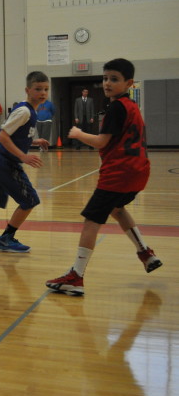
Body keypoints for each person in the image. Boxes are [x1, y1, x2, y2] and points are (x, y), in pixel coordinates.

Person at [46, 59, 161, 296]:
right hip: (139, 172)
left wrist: (78, 134)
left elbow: (101, 141)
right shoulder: (131, 106)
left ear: (128, 83)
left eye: (114, 79)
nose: (107, 83)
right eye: (105, 78)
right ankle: (146, 253)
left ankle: (76, 276)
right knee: (117, 209)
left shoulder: (117, 107)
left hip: (120, 172)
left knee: (91, 220)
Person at [0, 72, 51, 254]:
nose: (43, 92)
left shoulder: (29, 111)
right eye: (38, 89)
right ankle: (6, 238)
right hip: (4, 161)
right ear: (28, 90)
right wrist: (23, 156)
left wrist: (35, 141)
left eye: (46, 89)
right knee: (30, 200)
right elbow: (2, 136)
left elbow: (13, 135)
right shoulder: (24, 111)